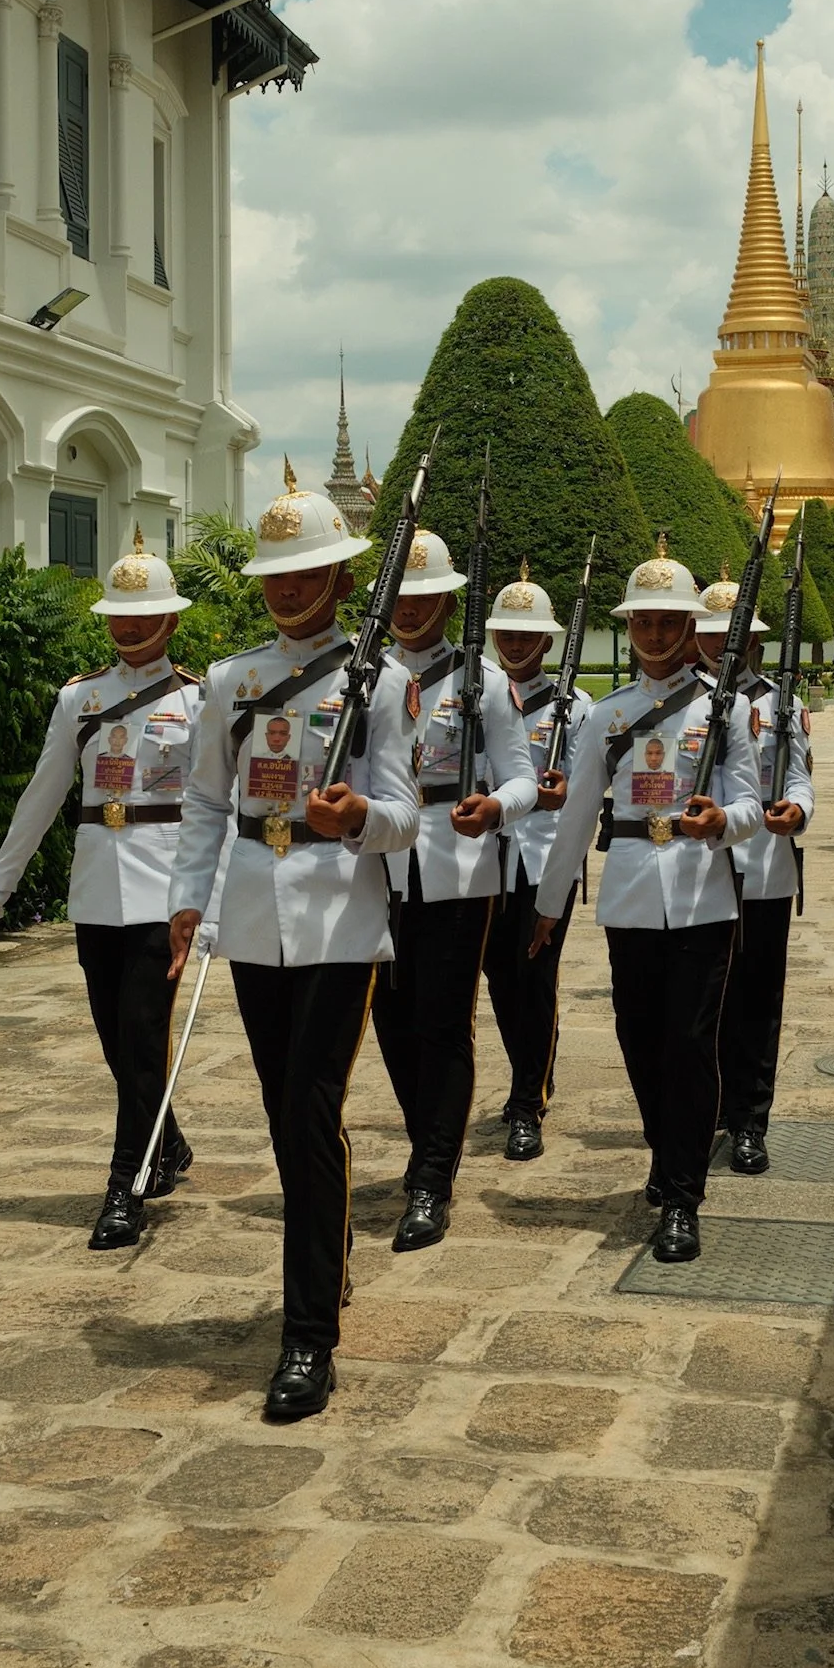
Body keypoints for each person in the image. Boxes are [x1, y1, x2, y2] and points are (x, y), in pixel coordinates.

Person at [166, 465, 419, 1422]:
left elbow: (403, 816)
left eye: (306, 571)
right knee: (283, 1110)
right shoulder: (232, 681)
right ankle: (331, 1248)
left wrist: (356, 814)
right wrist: (190, 902)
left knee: (311, 1106)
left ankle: (308, 1334)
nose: (287, 587)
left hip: (340, 914)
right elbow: (202, 801)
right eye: (276, 573)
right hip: (255, 914)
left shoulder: (382, 683)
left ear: (343, 581)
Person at [529, 542, 763, 1263]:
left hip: (701, 892)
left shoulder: (724, 709)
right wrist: (548, 903)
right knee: (638, 1035)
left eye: (670, 623)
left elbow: (752, 800)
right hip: (631, 889)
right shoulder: (608, 715)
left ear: (693, 627)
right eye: (645, 623)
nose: (657, 636)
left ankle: (682, 1194)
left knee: (691, 1043)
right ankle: (667, 1150)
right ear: (630, 629)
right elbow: (573, 817)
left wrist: (723, 821)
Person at [0, 530, 200, 1251]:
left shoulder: (198, 700)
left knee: (140, 1033)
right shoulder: (79, 699)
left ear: (170, 619)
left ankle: (124, 1188)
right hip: (97, 886)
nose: (129, 629)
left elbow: (216, 806)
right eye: (118, 617)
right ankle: (166, 1141)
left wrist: (212, 898)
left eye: (143, 617)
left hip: (164, 890)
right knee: (117, 1040)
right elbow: (41, 796)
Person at [374, 530, 539, 1250]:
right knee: (391, 1022)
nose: (410, 612)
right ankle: (425, 1140)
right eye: (400, 599)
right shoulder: (367, 679)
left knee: (443, 1021)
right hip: (376, 866)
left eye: (424, 598)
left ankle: (430, 1178)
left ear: (447, 599)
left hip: (454, 863)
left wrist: (497, 808)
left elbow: (522, 777)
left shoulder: (484, 684)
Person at [689, 586, 814, 1178]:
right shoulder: (679, 704)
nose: (723, 644)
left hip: (763, 867)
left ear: (758, 641)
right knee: (700, 1003)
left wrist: (798, 809)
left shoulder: (780, 702)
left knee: (757, 1002)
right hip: (697, 870)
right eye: (711, 633)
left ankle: (749, 1121)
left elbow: (800, 775)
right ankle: (705, 1104)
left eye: (733, 634)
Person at [479, 565, 593, 1162]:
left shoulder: (576, 706)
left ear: (548, 642)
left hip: (545, 858)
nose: (516, 645)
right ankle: (527, 1074)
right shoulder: (479, 699)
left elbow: (587, 791)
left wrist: (562, 790)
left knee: (536, 979)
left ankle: (529, 1102)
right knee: (501, 978)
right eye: (507, 635)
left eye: (527, 637)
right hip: (489, 858)